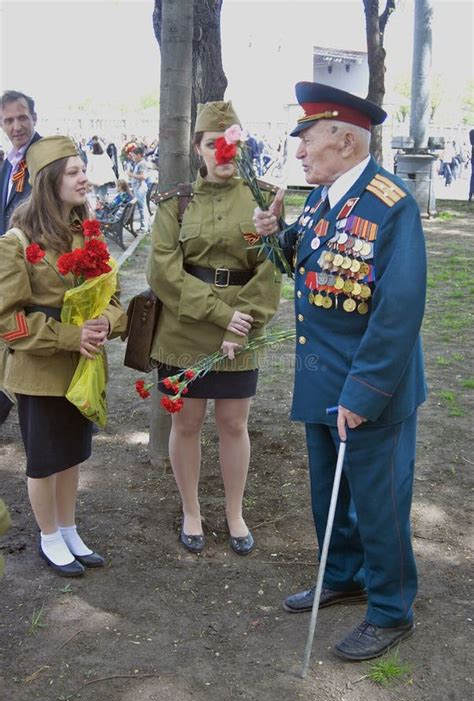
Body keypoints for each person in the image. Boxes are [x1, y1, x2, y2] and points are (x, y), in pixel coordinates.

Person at [253, 82, 427, 661]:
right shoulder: (327, 198)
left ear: (346, 141)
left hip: (368, 387)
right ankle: (346, 574)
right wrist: (276, 236)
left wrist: (364, 391)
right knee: (329, 493)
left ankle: (391, 608)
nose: (299, 151)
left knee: (378, 500)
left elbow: (398, 310)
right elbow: (313, 270)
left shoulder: (390, 203)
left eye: (308, 140)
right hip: (322, 377)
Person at [146, 101, 282, 555]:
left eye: (231, 145)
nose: (223, 153)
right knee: (186, 423)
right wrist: (221, 316)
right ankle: (191, 511)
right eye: (212, 145)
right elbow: (163, 271)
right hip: (185, 325)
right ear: (198, 148)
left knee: (233, 422)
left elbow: (271, 268)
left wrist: (241, 324)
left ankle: (234, 511)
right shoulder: (175, 203)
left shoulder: (263, 199)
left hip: (242, 324)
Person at [0, 136, 126, 577]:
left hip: (83, 366)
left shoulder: (87, 231)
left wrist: (107, 322)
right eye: (73, 171)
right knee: (45, 459)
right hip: (40, 368)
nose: (84, 178)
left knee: (72, 454)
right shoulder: (15, 243)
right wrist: (70, 336)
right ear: (49, 181)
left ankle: (69, 529)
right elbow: (7, 321)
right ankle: (48, 536)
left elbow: (113, 294)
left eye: (81, 169)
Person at [0, 90, 42, 427]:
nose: (16, 126)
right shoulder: (9, 161)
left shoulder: (45, 158)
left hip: (34, 274)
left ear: (34, 118)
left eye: (22, 117)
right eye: (8, 120)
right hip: (8, 268)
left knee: (17, 342)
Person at [86, 137, 116, 202]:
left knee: (97, 194)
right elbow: (111, 164)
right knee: (104, 194)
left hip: (95, 178)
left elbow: (90, 168)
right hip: (105, 177)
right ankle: (104, 205)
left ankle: (99, 206)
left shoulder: (91, 156)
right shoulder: (104, 155)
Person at [127, 146, 149, 232]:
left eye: (134, 156)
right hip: (137, 187)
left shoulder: (142, 164)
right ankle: (144, 225)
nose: (133, 158)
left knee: (142, 207)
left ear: (139, 155)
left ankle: (144, 227)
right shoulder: (138, 164)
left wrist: (131, 175)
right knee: (141, 207)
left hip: (140, 188)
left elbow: (143, 176)